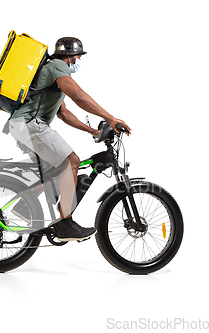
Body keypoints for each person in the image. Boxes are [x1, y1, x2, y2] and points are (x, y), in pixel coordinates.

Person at [8, 37, 132, 242]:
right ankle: (65, 224)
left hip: (20, 125)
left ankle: (22, 208)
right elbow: (78, 96)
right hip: (30, 124)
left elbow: (64, 114)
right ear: (70, 56)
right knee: (72, 162)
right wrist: (111, 118)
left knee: (51, 172)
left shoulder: (52, 74)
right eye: (77, 56)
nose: (78, 61)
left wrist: (92, 130)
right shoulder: (57, 66)